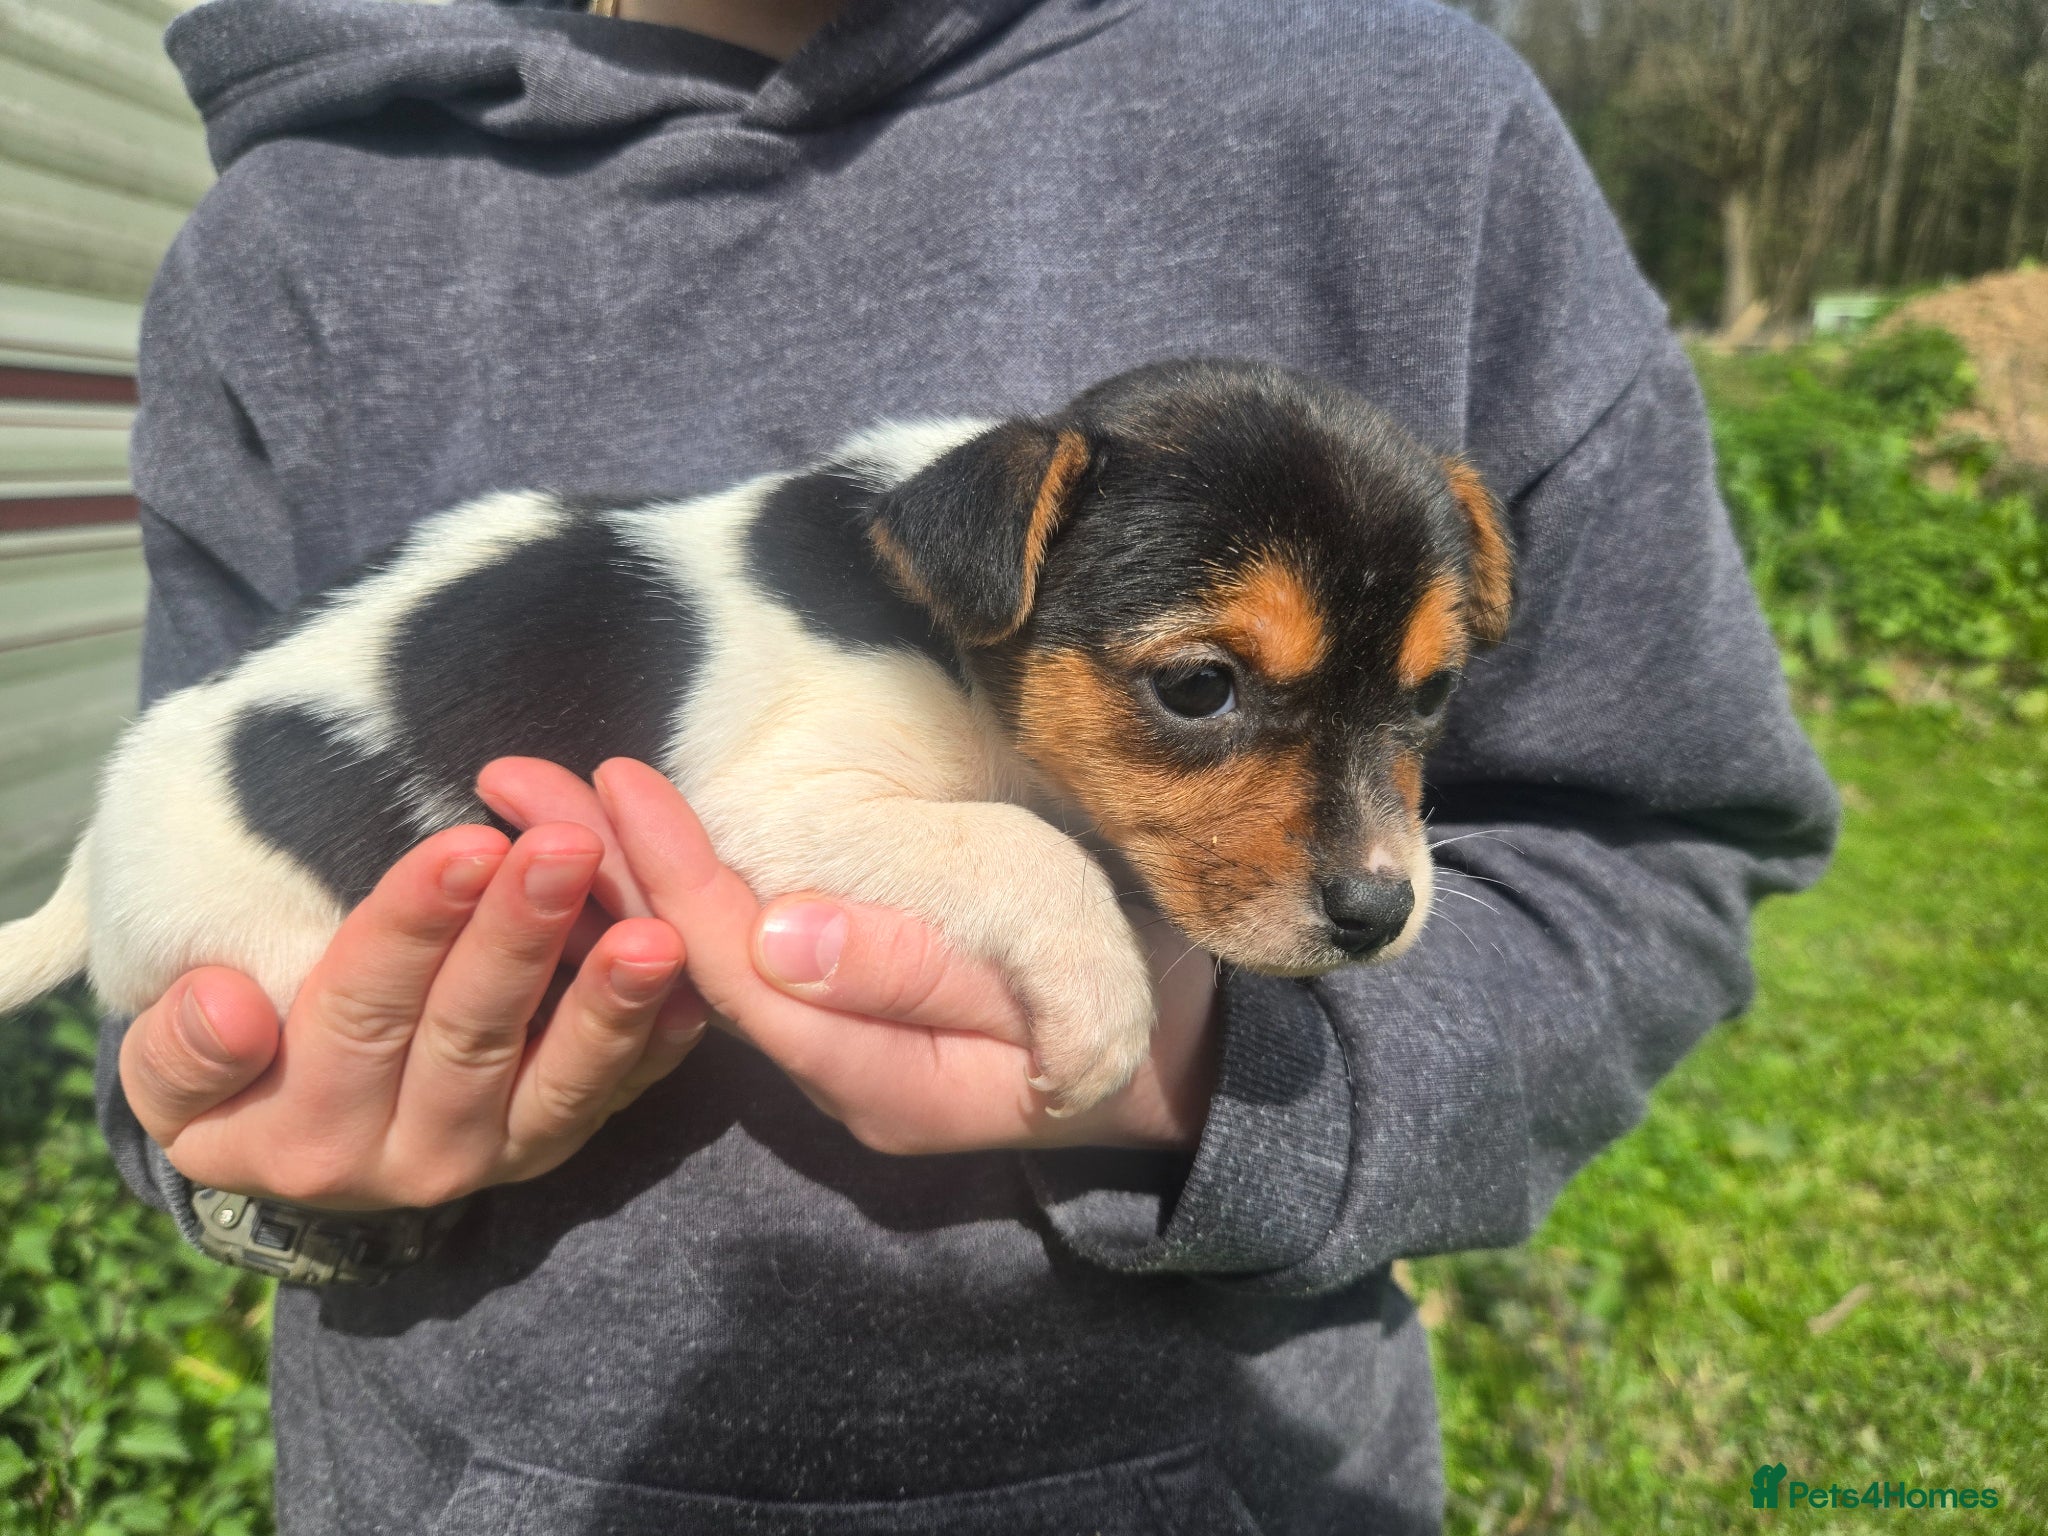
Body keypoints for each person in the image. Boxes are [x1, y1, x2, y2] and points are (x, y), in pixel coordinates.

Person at [100, 0, 1840, 1530]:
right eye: (1201, 688)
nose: (1377, 854)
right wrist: (250, 1151)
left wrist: (1215, 1080)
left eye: (1420, 710)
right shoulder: (293, 239)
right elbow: (166, 931)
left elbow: (1665, 842)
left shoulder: (1406, 127)